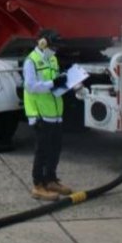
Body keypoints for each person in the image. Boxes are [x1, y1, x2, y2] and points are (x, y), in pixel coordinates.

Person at [23, 29, 72, 201]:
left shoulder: (52, 58)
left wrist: (63, 80)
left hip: (55, 113)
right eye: (53, 46)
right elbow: (31, 86)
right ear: (43, 43)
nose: (55, 50)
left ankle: (51, 180)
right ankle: (38, 185)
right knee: (42, 151)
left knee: (55, 149)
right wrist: (53, 83)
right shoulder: (31, 61)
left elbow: (54, 80)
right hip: (40, 114)